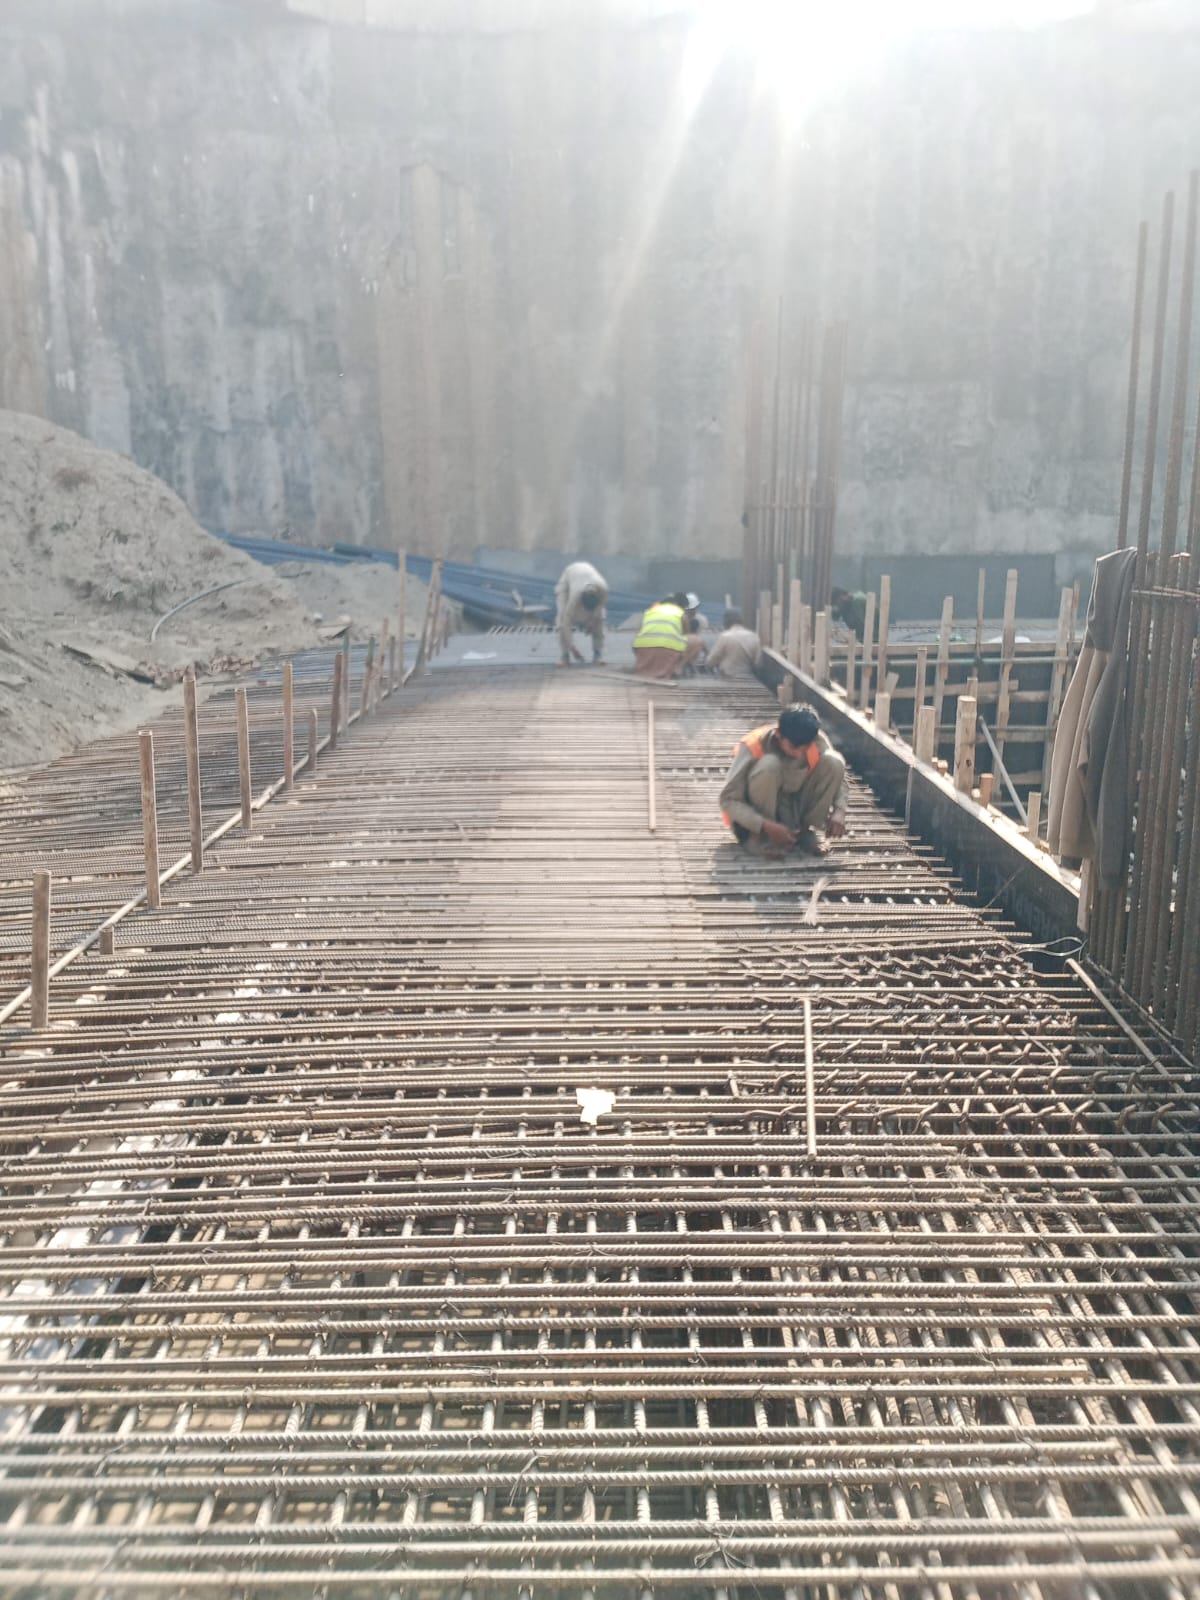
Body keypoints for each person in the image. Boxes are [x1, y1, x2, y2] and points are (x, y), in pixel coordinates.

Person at [719, 703, 849, 856]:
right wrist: (765, 825)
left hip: (792, 810)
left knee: (834, 761)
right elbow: (728, 800)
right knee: (769, 765)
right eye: (793, 747)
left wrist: (839, 810)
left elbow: (839, 778)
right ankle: (758, 838)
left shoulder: (814, 739)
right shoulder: (753, 746)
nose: (799, 754)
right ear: (778, 734)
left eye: (805, 749)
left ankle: (804, 832)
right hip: (756, 820)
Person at [633, 592, 704, 679]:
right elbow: (686, 635)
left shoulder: (649, 612)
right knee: (695, 640)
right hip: (668, 652)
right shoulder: (680, 613)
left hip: (643, 651)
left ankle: (648, 666)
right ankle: (677, 669)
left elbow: (639, 634)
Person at [554, 560, 608, 666]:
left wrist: (592, 622)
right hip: (568, 579)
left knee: (600, 619)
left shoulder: (604, 589)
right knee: (562, 617)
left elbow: (600, 610)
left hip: (585, 574)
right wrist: (572, 648)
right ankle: (564, 656)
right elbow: (566, 622)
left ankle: (598, 655)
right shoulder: (575, 597)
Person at [706, 608, 761, 679]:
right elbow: (758, 663)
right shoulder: (754, 636)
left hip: (728, 678)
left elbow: (711, 661)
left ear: (726, 622)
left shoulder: (725, 636)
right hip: (748, 678)